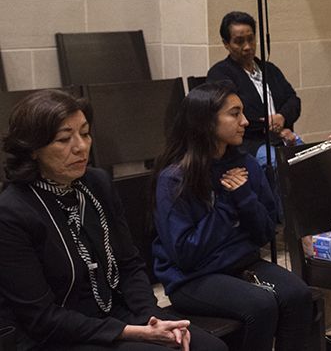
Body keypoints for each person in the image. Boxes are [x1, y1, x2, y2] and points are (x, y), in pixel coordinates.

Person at [0, 89, 226, 351]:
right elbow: (41, 318)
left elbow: (129, 264)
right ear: (32, 150)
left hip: (115, 311)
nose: (81, 147)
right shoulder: (12, 212)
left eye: (85, 133)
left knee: (209, 347)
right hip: (58, 334)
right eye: (64, 139)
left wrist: (151, 318)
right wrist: (133, 333)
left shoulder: (97, 183)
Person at [151, 82, 312, 351]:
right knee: (260, 306)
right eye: (234, 114)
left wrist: (245, 198)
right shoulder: (175, 178)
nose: (245, 122)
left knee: (298, 294)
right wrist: (228, 205)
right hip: (192, 279)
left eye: (243, 113)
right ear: (206, 122)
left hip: (239, 263)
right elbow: (186, 254)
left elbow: (264, 233)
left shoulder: (245, 164)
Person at [206, 11, 301, 156]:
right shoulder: (220, 74)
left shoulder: (269, 69)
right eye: (239, 41)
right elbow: (231, 115)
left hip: (283, 137)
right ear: (226, 44)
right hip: (250, 143)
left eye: (251, 39)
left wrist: (282, 117)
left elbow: (293, 100)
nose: (247, 47)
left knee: (316, 160)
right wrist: (272, 127)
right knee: (277, 163)